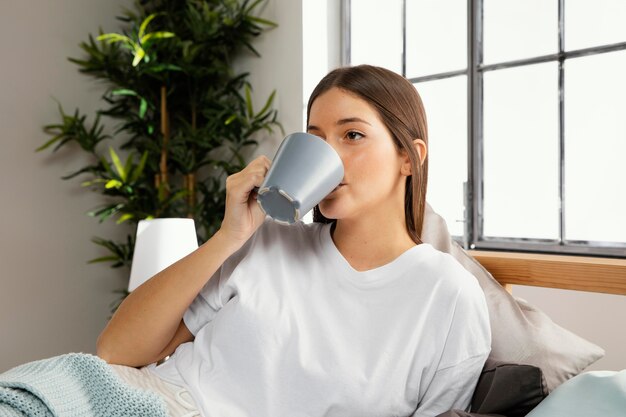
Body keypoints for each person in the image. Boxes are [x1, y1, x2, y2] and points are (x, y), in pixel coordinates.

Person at [96, 64, 491, 417]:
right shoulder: (265, 243)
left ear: (410, 157)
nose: (331, 154)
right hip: (147, 400)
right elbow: (115, 352)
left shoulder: (450, 296)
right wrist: (228, 237)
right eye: (316, 139)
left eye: (352, 134)